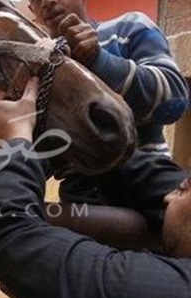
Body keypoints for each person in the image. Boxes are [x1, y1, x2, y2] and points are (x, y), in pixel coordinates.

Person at [0, 77, 190, 298]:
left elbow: (11, 236)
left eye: (182, 190)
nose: (168, 197)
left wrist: (15, 140)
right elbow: (149, 179)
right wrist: (95, 128)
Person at [27, 0, 189, 203]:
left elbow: (175, 100)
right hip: (81, 197)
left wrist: (98, 60)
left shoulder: (130, 26)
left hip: (148, 185)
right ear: (33, 12)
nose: (47, 2)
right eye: (36, 0)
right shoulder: (42, 69)